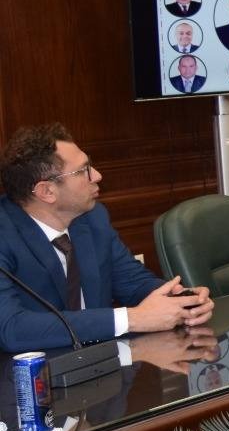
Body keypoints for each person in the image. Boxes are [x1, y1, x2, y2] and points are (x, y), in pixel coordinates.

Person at [0, 123, 212, 352]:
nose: (97, 175)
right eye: (83, 170)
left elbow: (132, 282)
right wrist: (132, 319)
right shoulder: (5, 234)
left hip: (103, 364)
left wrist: (180, 300)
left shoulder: (92, 218)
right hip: (31, 371)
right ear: (47, 191)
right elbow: (11, 329)